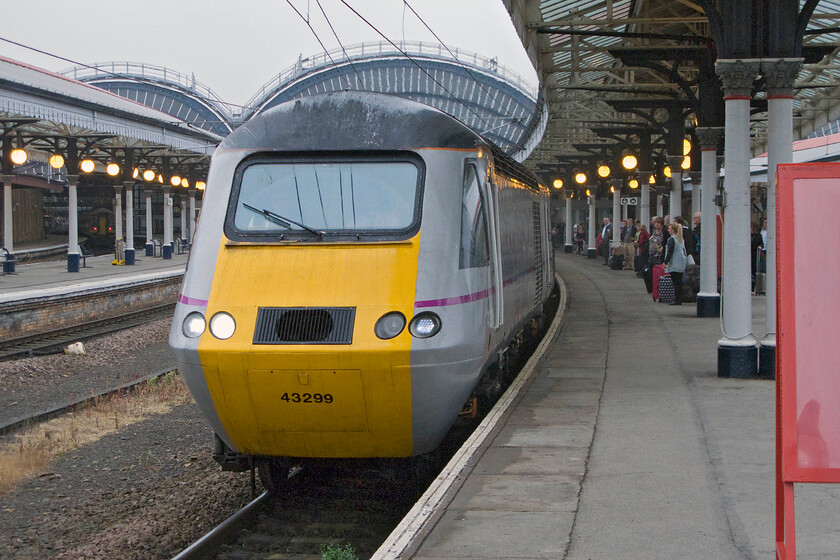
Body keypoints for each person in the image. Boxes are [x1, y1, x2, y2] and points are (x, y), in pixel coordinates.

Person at [663, 222, 687, 305]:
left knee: (676, 282)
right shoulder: (680, 239)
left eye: (669, 228)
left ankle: (677, 299)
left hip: (674, 263)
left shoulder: (671, 239)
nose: (668, 230)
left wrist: (666, 262)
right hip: (681, 262)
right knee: (679, 282)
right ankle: (679, 298)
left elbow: (670, 251)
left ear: (673, 230)